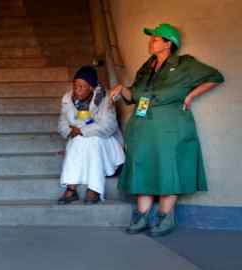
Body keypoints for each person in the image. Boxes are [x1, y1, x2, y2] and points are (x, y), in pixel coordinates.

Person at [110, 23, 224, 237]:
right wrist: (121, 89)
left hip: (170, 125)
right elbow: (134, 95)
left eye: (155, 39)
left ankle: (165, 217)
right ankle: (141, 217)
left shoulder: (184, 64)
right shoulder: (146, 67)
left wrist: (190, 95)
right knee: (142, 166)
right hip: (143, 125)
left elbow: (215, 77)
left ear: (168, 43)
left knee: (168, 167)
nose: (150, 42)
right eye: (151, 38)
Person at [57, 66, 125, 205]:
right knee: (79, 141)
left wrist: (82, 131)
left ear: (92, 88)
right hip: (79, 143)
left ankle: (91, 189)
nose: (77, 90)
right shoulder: (67, 99)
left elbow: (109, 126)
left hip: (105, 141)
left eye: (82, 86)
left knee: (92, 140)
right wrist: (71, 131)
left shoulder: (105, 98)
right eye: (75, 86)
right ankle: (74, 189)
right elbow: (62, 124)